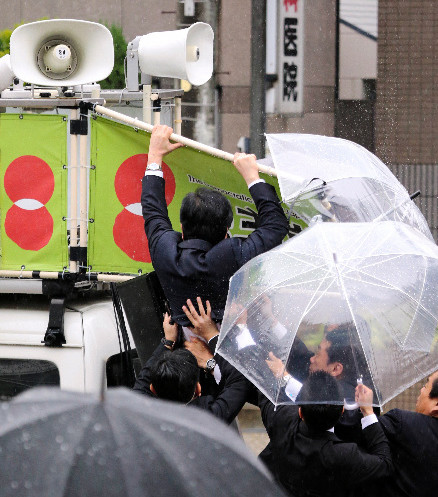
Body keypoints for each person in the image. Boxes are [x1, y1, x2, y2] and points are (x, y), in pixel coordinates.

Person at [141, 124, 289, 327]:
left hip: (181, 351)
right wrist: (253, 178)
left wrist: (155, 156)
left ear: (182, 229)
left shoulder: (164, 251)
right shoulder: (233, 255)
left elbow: (153, 210)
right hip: (230, 345)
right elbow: (276, 226)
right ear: (226, 232)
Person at [258, 371, 393, 497]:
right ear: (341, 410)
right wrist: (368, 411)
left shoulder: (282, 421)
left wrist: (283, 375)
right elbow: (385, 465)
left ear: (300, 412)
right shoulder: (344, 455)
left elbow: (265, 391)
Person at [133, 302, 252, 424]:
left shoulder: (142, 416)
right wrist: (212, 337)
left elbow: (142, 382)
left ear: (152, 388)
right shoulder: (210, 419)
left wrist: (168, 342)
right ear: (198, 389)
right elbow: (241, 378)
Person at [376, 370, 438, 497]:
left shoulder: (403, 425)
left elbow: (356, 431)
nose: (421, 391)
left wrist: (367, 408)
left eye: (426, 386)